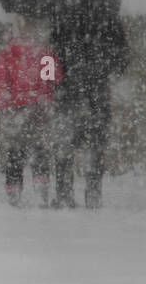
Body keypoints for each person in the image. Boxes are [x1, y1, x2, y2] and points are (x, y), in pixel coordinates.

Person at [49, 11, 129, 209]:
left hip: (68, 93)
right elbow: (122, 57)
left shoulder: (62, 16)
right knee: (95, 145)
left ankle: (64, 195)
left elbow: (51, 56)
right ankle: (93, 194)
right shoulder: (108, 18)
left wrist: (53, 81)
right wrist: (107, 72)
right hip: (97, 92)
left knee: (65, 146)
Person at [0, 16, 63, 207]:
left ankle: (13, 192)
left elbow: (0, 83)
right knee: (40, 148)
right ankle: (41, 187)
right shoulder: (45, 50)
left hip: (14, 108)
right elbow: (53, 79)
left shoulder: (9, 51)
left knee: (15, 152)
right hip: (40, 107)